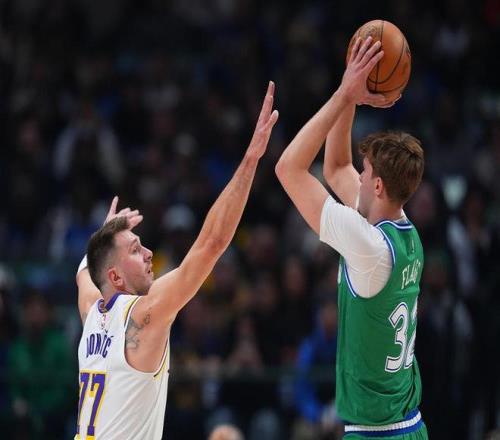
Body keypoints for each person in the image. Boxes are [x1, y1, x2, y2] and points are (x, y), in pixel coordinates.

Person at [74, 82, 279, 440]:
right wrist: (251, 159)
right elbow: (212, 243)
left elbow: (85, 274)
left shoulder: (92, 313)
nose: (149, 253)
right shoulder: (143, 315)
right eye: (135, 250)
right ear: (116, 277)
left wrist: (104, 236)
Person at [275, 36, 428, 439]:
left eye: (366, 172)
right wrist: (352, 94)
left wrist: (344, 92)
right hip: (410, 424)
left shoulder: (370, 248)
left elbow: (289, 168)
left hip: (377, 432)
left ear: (377, 186)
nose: (357, 176)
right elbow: (336, 166)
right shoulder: (405, 233)